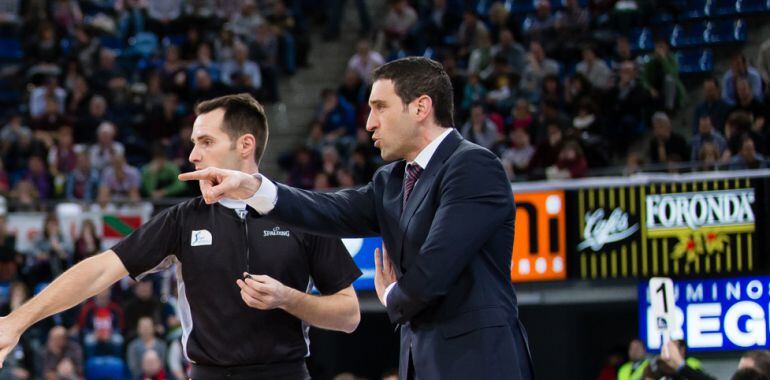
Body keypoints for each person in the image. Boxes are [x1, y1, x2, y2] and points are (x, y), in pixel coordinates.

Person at [180, 57, 533, 380]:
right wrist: (252, 186)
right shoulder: (391, 180)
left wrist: (393, 294)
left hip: (481, 363)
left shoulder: (473, 166)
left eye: (380, 107)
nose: (369, 123)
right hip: (424, 362)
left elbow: (437, 267)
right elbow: (326, 210)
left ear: (421, 107)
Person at [0, 94, 361, 380]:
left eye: (205, 141)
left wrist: (288, 298)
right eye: (193, 142)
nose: (192, 155)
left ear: (245, 145)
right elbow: (99, 270)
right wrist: (16, 322)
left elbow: (349, 315)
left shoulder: (302, 213)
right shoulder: (182, 220)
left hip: (286, 372)